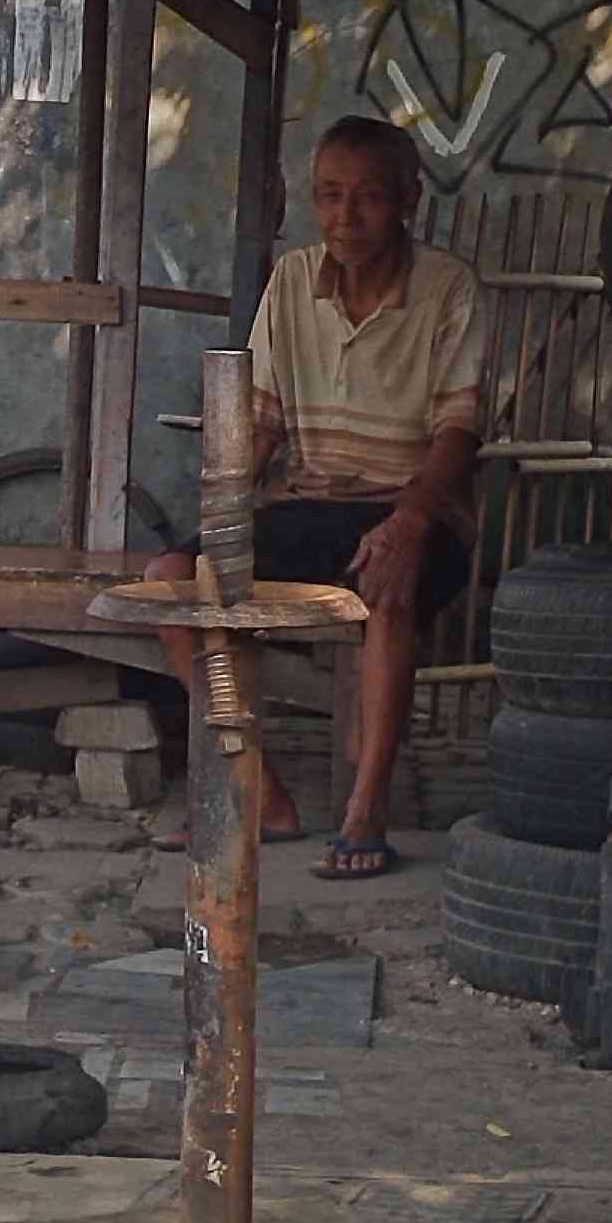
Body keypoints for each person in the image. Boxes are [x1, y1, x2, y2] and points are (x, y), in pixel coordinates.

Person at [145, 115, 484, 879]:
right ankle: (261, 795)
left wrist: (409, 521)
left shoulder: (447, 287)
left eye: (366, 198)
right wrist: (224, 514)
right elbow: (260, 421)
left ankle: (365, 815)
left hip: (417, 511)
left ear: (407, 201)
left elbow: (460, 431)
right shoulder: (294, 279)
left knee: (386, 587)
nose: (345, 217)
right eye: (330, 197)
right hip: (314, 502)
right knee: (173, 582)